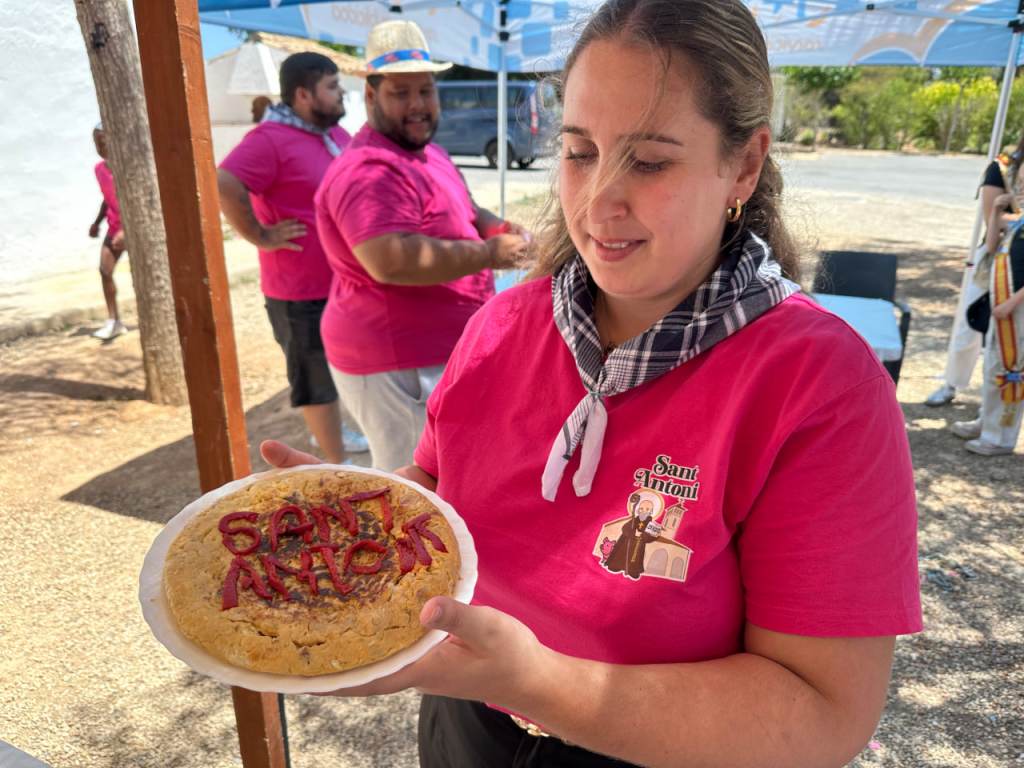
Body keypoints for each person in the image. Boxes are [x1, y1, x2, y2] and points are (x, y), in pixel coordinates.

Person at [265, 2, 921, 765]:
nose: (598, 202)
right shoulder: (500, 328)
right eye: (579, 152)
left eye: (648, 161)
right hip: (468, 726)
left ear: (742, 164)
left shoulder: (818, 384)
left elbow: (823, 712)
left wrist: (542, 682)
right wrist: (370, 517)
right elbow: (440, 488)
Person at [314, 20, 530, 471]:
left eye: (425, 91)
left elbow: (468, 210)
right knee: (412, 485)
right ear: (371, 96)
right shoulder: (367, 171)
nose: (418, 106)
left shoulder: (430, 152)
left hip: (433, 350)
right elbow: (391, 259)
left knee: (453, 467)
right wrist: (490, 254)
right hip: (396, 361)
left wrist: (503, 228)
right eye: (401, 93)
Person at [218, 52, 366, 464]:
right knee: (314, 378)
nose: (341, 97)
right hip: (300, 290)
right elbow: (223, 181)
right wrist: (260, 235)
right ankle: (336, 468)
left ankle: (334, 438)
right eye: (332, 88)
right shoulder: (270, 140)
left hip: (342, 283)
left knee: (340, 368)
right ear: (303, 94)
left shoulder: (331, 132)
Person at [925, 140, 1023, 406]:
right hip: (994, 258)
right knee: (969, 325)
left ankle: (994, 408)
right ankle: (952, 383)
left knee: (1010, 338)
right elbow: (993, 215)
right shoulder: (1002, 168)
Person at [949, 186, 1024, 455]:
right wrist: (994, 212)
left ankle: (1001, 436)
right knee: (994, 364)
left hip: (1015, 306)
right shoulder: (1017, 221)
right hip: (1002, 302)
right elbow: (992, 246)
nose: (1022, 190)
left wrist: (1012, 303)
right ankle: (988, 421)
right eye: (1021, 184)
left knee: (1011, 366)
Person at [89, 124, 127, 341]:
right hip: (114, 228)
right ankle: (114, 321)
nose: (100, 147)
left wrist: (127, 231)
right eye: (96, 143)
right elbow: (107, 197)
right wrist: (96, 222)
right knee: (105, 271)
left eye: (103, 142)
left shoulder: (128, 168)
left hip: (134, 230)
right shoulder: (100, 169)